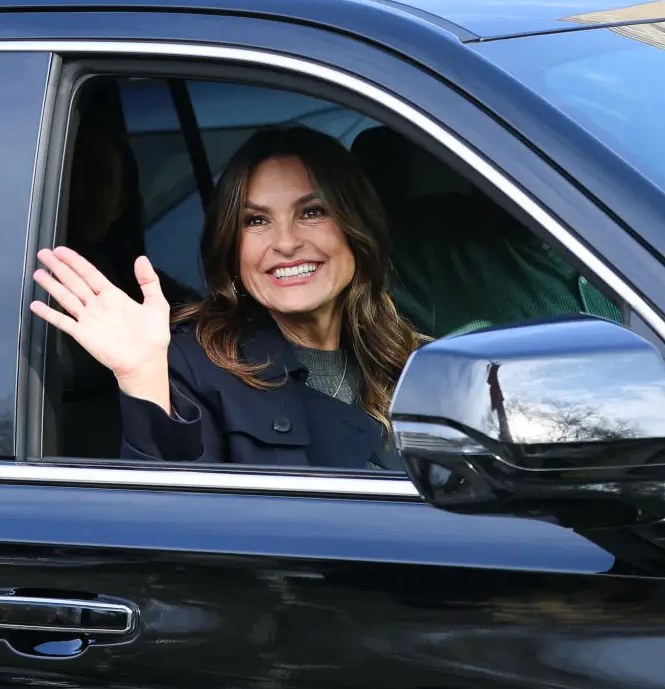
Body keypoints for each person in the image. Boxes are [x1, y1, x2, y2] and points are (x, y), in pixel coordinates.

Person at [31, 126, 419, 470]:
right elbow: (169, 527)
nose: (285, 243)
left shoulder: (411, 359)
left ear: (356, 228)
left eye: (312, 212)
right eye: (256, 221)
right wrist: (144, 378)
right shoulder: (193, 365)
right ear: (231, 246)